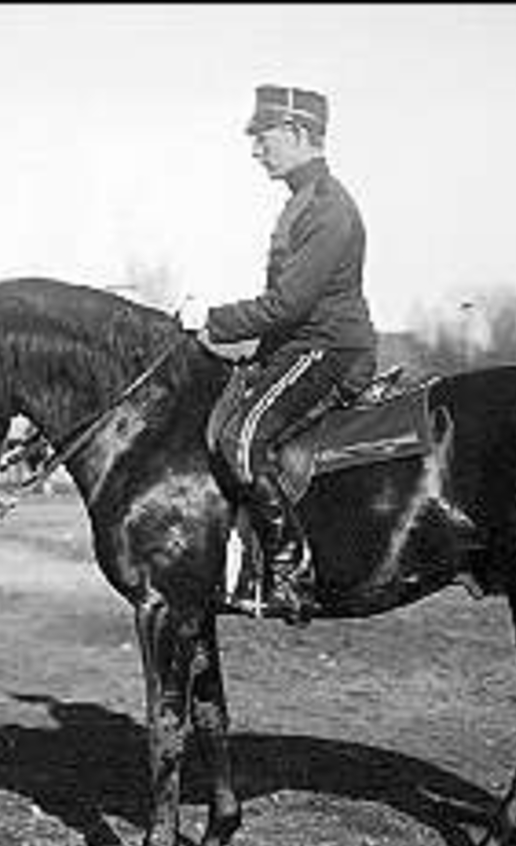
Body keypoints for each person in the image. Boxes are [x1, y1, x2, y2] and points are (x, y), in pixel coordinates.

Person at [180, 84, 378, 623]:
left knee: (240, 440)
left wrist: (212, 319)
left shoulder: (327, 207)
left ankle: (291, 573)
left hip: (328, 351)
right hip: (300, 347)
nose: (255, 150)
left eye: (262, 137)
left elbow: (289, 304)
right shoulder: (302, 201)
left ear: (295, 133)